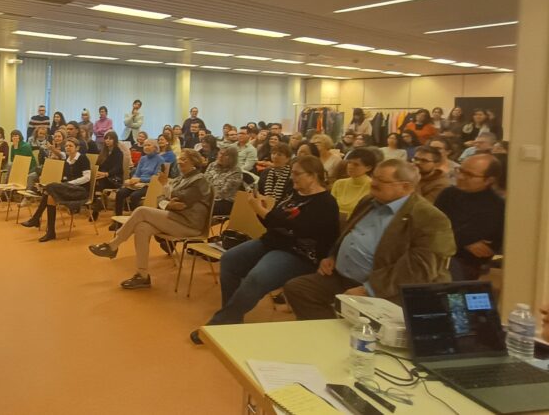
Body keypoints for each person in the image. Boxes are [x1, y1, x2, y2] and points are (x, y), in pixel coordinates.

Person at [190, 156, 339, 341]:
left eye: (296, 174)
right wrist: (260, 209)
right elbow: (273, 223)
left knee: (257, 277)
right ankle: (232, 316)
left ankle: (222, 323)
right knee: (230, 259)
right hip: (273, 243)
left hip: (298, 253)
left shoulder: (325, 203)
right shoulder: (294, 194)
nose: (292, 177)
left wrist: (261, 211)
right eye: (292, 173)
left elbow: (297, 229)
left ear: (313, 176)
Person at [283, 160, 456, 319]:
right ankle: (329, 331)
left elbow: (419, 270)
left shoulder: (430, 218)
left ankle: (347, 332)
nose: (373, 182)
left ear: (405, 186)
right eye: (374, 177)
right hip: (342, 277)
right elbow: (350, 233)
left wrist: (369, 289)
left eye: (381, 180)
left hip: (386, 287)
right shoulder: (369, 200)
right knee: (298, 289)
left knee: (360, 315)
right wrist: (333, 256)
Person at [89, 149, 213, 289]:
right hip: (176, 218)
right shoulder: (181, 178)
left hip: (190, 225)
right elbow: (162, 198)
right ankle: (142, 276)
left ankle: (113, 245)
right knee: (142, 227)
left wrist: (166, 187)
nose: (179, 161)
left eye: (184, 159)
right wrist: (168, 203)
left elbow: (184, 199)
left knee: (141, 210)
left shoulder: (200, 180)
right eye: (179, 158)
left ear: (194, 162)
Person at [435, 154, 505, 281]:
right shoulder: (448, 195)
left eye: (469, 175)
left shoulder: (497, 206)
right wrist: (464, 241)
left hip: (469, 265)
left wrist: (455, 236)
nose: (461, 177)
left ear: (489, 180)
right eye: (460, 171)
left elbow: (484, 248)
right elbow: (432, 229)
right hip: (437, 255)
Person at [20, 139, 91, 242]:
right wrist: (64, 183)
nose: (67, 148)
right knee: (50, 196)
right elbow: (64, 178)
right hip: (68, 189)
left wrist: (69, 183)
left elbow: (87, 177)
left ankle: (36, 219)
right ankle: (50, 232)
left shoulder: (83, 158)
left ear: (77, 148)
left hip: (80, 191)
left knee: (50, 187)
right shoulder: (66, 160)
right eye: (66, 146)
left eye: (70, 146)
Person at [112, 138, 164, 228]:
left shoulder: (160, 160)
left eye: (149, 145)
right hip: (138, 183)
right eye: (145, 145)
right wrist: (133, 179)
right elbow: (137, 173)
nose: (146, 147)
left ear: (155, 147)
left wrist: (139, 179)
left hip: (150, 185)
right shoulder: (143, 158)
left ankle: (136, 221)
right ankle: (118, 221)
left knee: (134, 196)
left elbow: (156, 177)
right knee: (120, 193)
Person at [330, 148, 377, 219]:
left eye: (356, 164)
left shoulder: (372, 186)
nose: (350, 166)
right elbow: (330, 208)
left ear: (368, 168)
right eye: (349, 162)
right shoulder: (339, 183)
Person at [92, 131, 125, 221]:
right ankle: (98, 201)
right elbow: (97, 165)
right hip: (102, 177)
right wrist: (97, 172)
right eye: (106, 138)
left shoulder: (119, 153)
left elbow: (118, 168)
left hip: (115, 178)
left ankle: (97, 206)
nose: (107, 140)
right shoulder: (103, 152)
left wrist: (106, 174)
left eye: (110, 139)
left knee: (100, 181)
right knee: (95, 180)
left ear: (115, 140)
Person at [206, 145, 244, 216]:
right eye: (220, 153)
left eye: (226, 155)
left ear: (232, 158)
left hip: (225, 201)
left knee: (201, 207)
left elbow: (223, 193)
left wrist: (205, 197)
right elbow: (204, 182)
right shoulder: (212, 165)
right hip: (208, 197)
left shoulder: (236, 172)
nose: (221, 156)